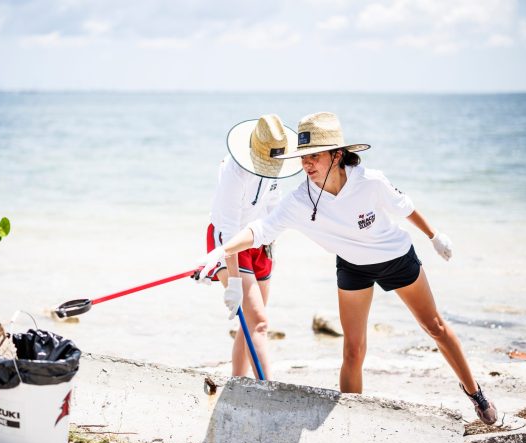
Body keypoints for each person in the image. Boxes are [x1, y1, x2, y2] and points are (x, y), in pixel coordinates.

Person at [196, 112, 498, 425]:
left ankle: (475, 392)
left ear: (337, 154)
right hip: (353, 267)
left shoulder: (370, 182)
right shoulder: (300, 200)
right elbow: (260, 230)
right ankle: (352, 420)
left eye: (314, 156)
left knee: (434, 327)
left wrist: (434, 237)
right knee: (353, 350)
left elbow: (405, 208)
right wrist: (220, 252)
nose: (307, 164)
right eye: (303, 157)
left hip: (395, 257)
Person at [196, 115, 301, 380]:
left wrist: (269, 244)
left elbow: (273, 205)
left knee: (250, 325)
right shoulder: (234, 171)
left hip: (259, 241)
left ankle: (237, 386)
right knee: (260, 323)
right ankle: (268, 391)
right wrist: (232, 282)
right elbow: (229, 231)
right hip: (229, 242)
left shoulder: (275, 160)